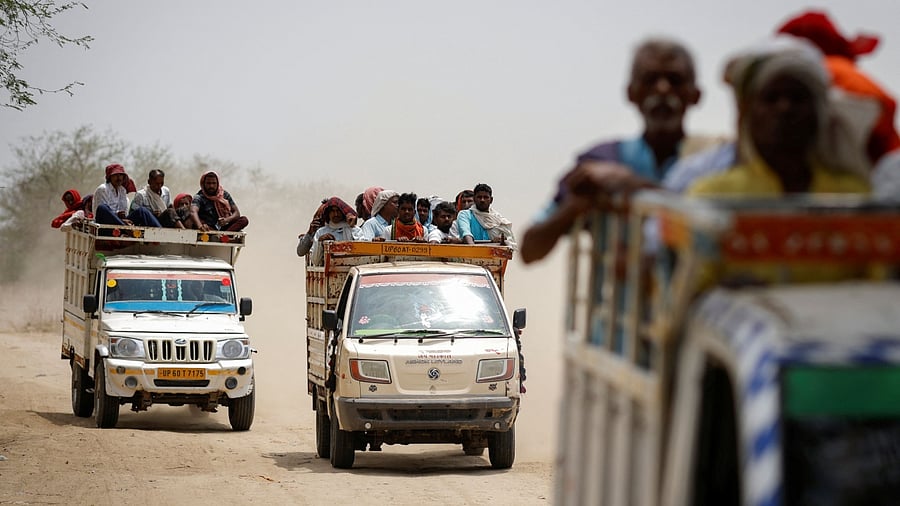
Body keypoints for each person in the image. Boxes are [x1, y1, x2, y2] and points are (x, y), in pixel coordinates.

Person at [520, 37, 706, 264]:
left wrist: (630, 183)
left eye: (674, 80)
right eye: (650, 79)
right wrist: (574, 206)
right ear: (631, 93)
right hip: (617, 299)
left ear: (695, 95)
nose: (662, 88)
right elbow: (529, 250)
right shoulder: (601, 159)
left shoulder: (713, 162)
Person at [687, 36, 870, 196]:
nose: (784, 108)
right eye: (771, 98)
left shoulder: (852, 194)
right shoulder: (711, 195)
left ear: (818, 113)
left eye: (797, 98)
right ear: (748, 114)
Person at [93, 163, 161, 227]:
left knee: (142, 211)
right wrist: (118, 217)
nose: (119, 178)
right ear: (110, 177)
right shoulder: (103, 189)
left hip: (121, 222)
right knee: (102, 208)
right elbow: (102, 214)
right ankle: (125, 228)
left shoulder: (122, 190)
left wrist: (123, 219)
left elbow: (124, 212)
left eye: (121, 175)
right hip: (105, 223)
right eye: (116, 175)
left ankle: (161, 233)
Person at [455, 183, 517, 249]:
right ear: (474, 199)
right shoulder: (465, 215)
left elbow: (509, 243)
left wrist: (501, 242)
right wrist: (473, 249)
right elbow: (466, 234)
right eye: (479, 197)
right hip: (469, 256)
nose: (482, 200)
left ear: (491, 200)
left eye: (485, 197)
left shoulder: (498, 220)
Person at [310, 197, 361, 265]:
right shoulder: (321, 232)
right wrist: (320, 242)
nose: (336, 214)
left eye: (338, 211)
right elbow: (315, 261)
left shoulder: (354, 230)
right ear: (328, 213)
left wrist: (352, 228)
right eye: (332, 211)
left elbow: (362, 251)